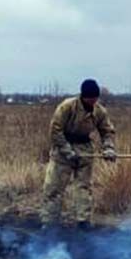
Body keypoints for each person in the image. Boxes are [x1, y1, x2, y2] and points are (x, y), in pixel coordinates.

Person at [41, 79, 116, 228]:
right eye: (90, 98)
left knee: (84, 188)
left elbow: (107, 131)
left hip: (85, 150)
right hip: (63, 151)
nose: (93, 101)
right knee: (54, 189)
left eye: (95, 98)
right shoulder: (67, 107)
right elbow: (55, 131)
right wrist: (67, 151)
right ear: (83, 96)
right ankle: (49, 224)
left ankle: (83, 222)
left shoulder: (99, 111)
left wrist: (108, 148)